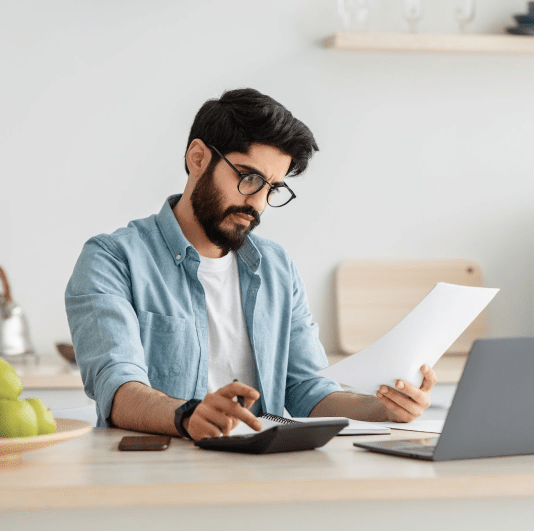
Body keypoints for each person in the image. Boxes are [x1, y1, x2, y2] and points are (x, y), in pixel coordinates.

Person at [65, 88, 437, 440]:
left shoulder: (276, 266)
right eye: (248, 178)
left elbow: (308, 389)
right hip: (159, 473)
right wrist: (189, 416)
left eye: (271, 189)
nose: (258, 204)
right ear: (198, 159)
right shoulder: (113, 259)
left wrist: (385, 408)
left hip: (265, 470)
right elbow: (117, 388)